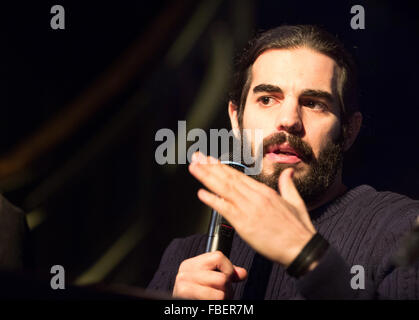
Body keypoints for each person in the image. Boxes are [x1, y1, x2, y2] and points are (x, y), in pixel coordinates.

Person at [147, 25, 419, 299]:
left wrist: (306, 255)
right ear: (235, 120)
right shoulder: (182, 259)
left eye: (313, 103)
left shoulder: (403, 229)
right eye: (267, 99)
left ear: (349, 131)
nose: (289, 120)